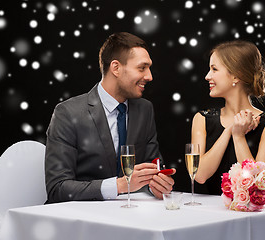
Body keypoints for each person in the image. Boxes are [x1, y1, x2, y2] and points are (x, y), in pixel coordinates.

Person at [45, 32, 175, 203]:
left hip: (132, 218)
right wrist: (119, 186)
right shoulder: (68, 113)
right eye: (142, 68)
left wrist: (157, 185)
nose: (149, 76)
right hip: (81, 220)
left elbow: (153, 167)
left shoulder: (144, 110)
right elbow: (57, 189)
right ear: (116, 68)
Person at [191, 40, 265, 195]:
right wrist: (228, 130)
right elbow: (199, 175)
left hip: (248, 216)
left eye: (214, 69)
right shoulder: (202, 119)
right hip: (207, 213)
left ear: (235, 76)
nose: (207, 76)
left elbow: (259, 184)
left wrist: (238, 136)